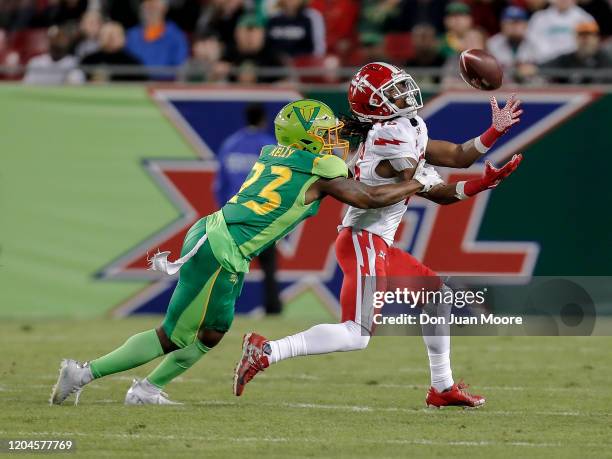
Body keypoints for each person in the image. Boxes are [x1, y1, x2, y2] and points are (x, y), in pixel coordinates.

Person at [50, 99, 443, 405]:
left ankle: (148, 389)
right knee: (172, 336)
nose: (333, 141)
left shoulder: (275, 152)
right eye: (324, 135)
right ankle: (82, 373)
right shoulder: (321, 168)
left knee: (212, 333)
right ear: (308, 141)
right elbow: (371, 197)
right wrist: (418, 182)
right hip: (220, 249)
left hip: (226, 246)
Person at [234, 63, 523, 408]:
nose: (405, 93)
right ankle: (266, 351)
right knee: (357, 334)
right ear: (376, 105)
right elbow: (434, 188)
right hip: (364, 239)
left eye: (402, 86)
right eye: (394, 91)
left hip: (376, 241)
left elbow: (456, 160)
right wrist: (460, 181)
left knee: (437, 298)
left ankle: (442, 388)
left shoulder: (406, 125)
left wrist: (492, 139)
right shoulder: (390, 134)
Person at [214, 103, 283, 315]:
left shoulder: (230, 145)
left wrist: (223, 213)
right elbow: (280, 182)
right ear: (263, 120)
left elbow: (219, 184)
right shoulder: (270, 147)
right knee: (269, 266)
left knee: (229, 267)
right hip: (263, 216)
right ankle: (273, 308)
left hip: (234, 214)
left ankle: (220, 310)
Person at [126, 0, 188, 76]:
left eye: (154, 4)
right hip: (135, 84)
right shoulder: (131, 35)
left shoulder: (176, 36)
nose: (150, 7)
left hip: (164, 85)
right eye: (147, 4)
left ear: (164, 8)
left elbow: (180, 67)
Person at [216, 14, 284, 84]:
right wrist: (217, 74)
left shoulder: (272, 56)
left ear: (263, 34)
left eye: (254, 31)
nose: (250, 36)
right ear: (236, 33)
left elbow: (285, 81)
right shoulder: (229, 54)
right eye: (245, 31)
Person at [523, 0, 594, 64]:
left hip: (574, 65)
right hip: (544, 65)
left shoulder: (585, 18)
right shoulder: (538, 18)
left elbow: (590, 44)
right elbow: (530, 43)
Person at [541, 21, 612, 84]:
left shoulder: (605, 58)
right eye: (581, 36)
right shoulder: (568, 58)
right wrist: (534, 68)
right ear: (576, 38)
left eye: (589, 35)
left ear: (596, 38)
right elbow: (543, 67)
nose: (585, 40)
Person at [487, 6, 531, 74]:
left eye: (517, 22)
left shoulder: (535, 42)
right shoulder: (493, 43)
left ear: (526, 25)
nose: (514, 27)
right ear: (502, 25)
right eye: (510, 23)